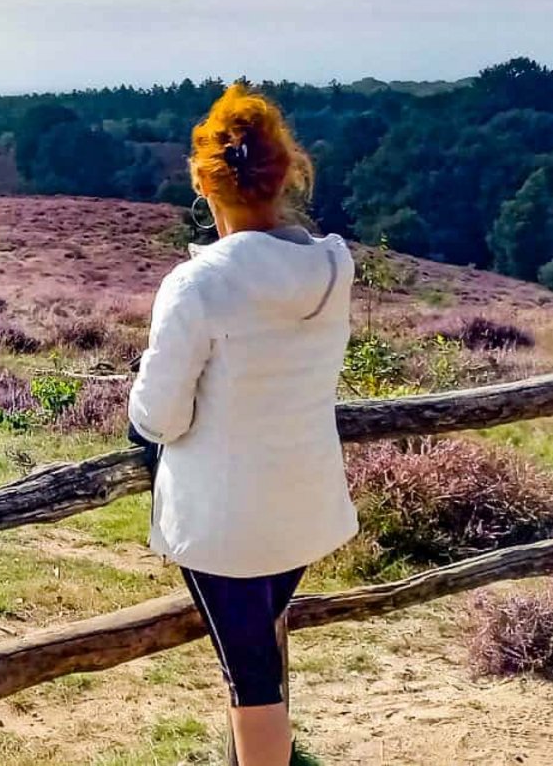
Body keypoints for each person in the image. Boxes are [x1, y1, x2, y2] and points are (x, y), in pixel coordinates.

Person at [128, 83, 358, 766]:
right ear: (286, 174)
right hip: (304, 506)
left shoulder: (198, 284)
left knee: (251, 676)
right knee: (258, 658)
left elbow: (159, 414)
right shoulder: (333, 267)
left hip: (222, 522)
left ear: (205, 182)